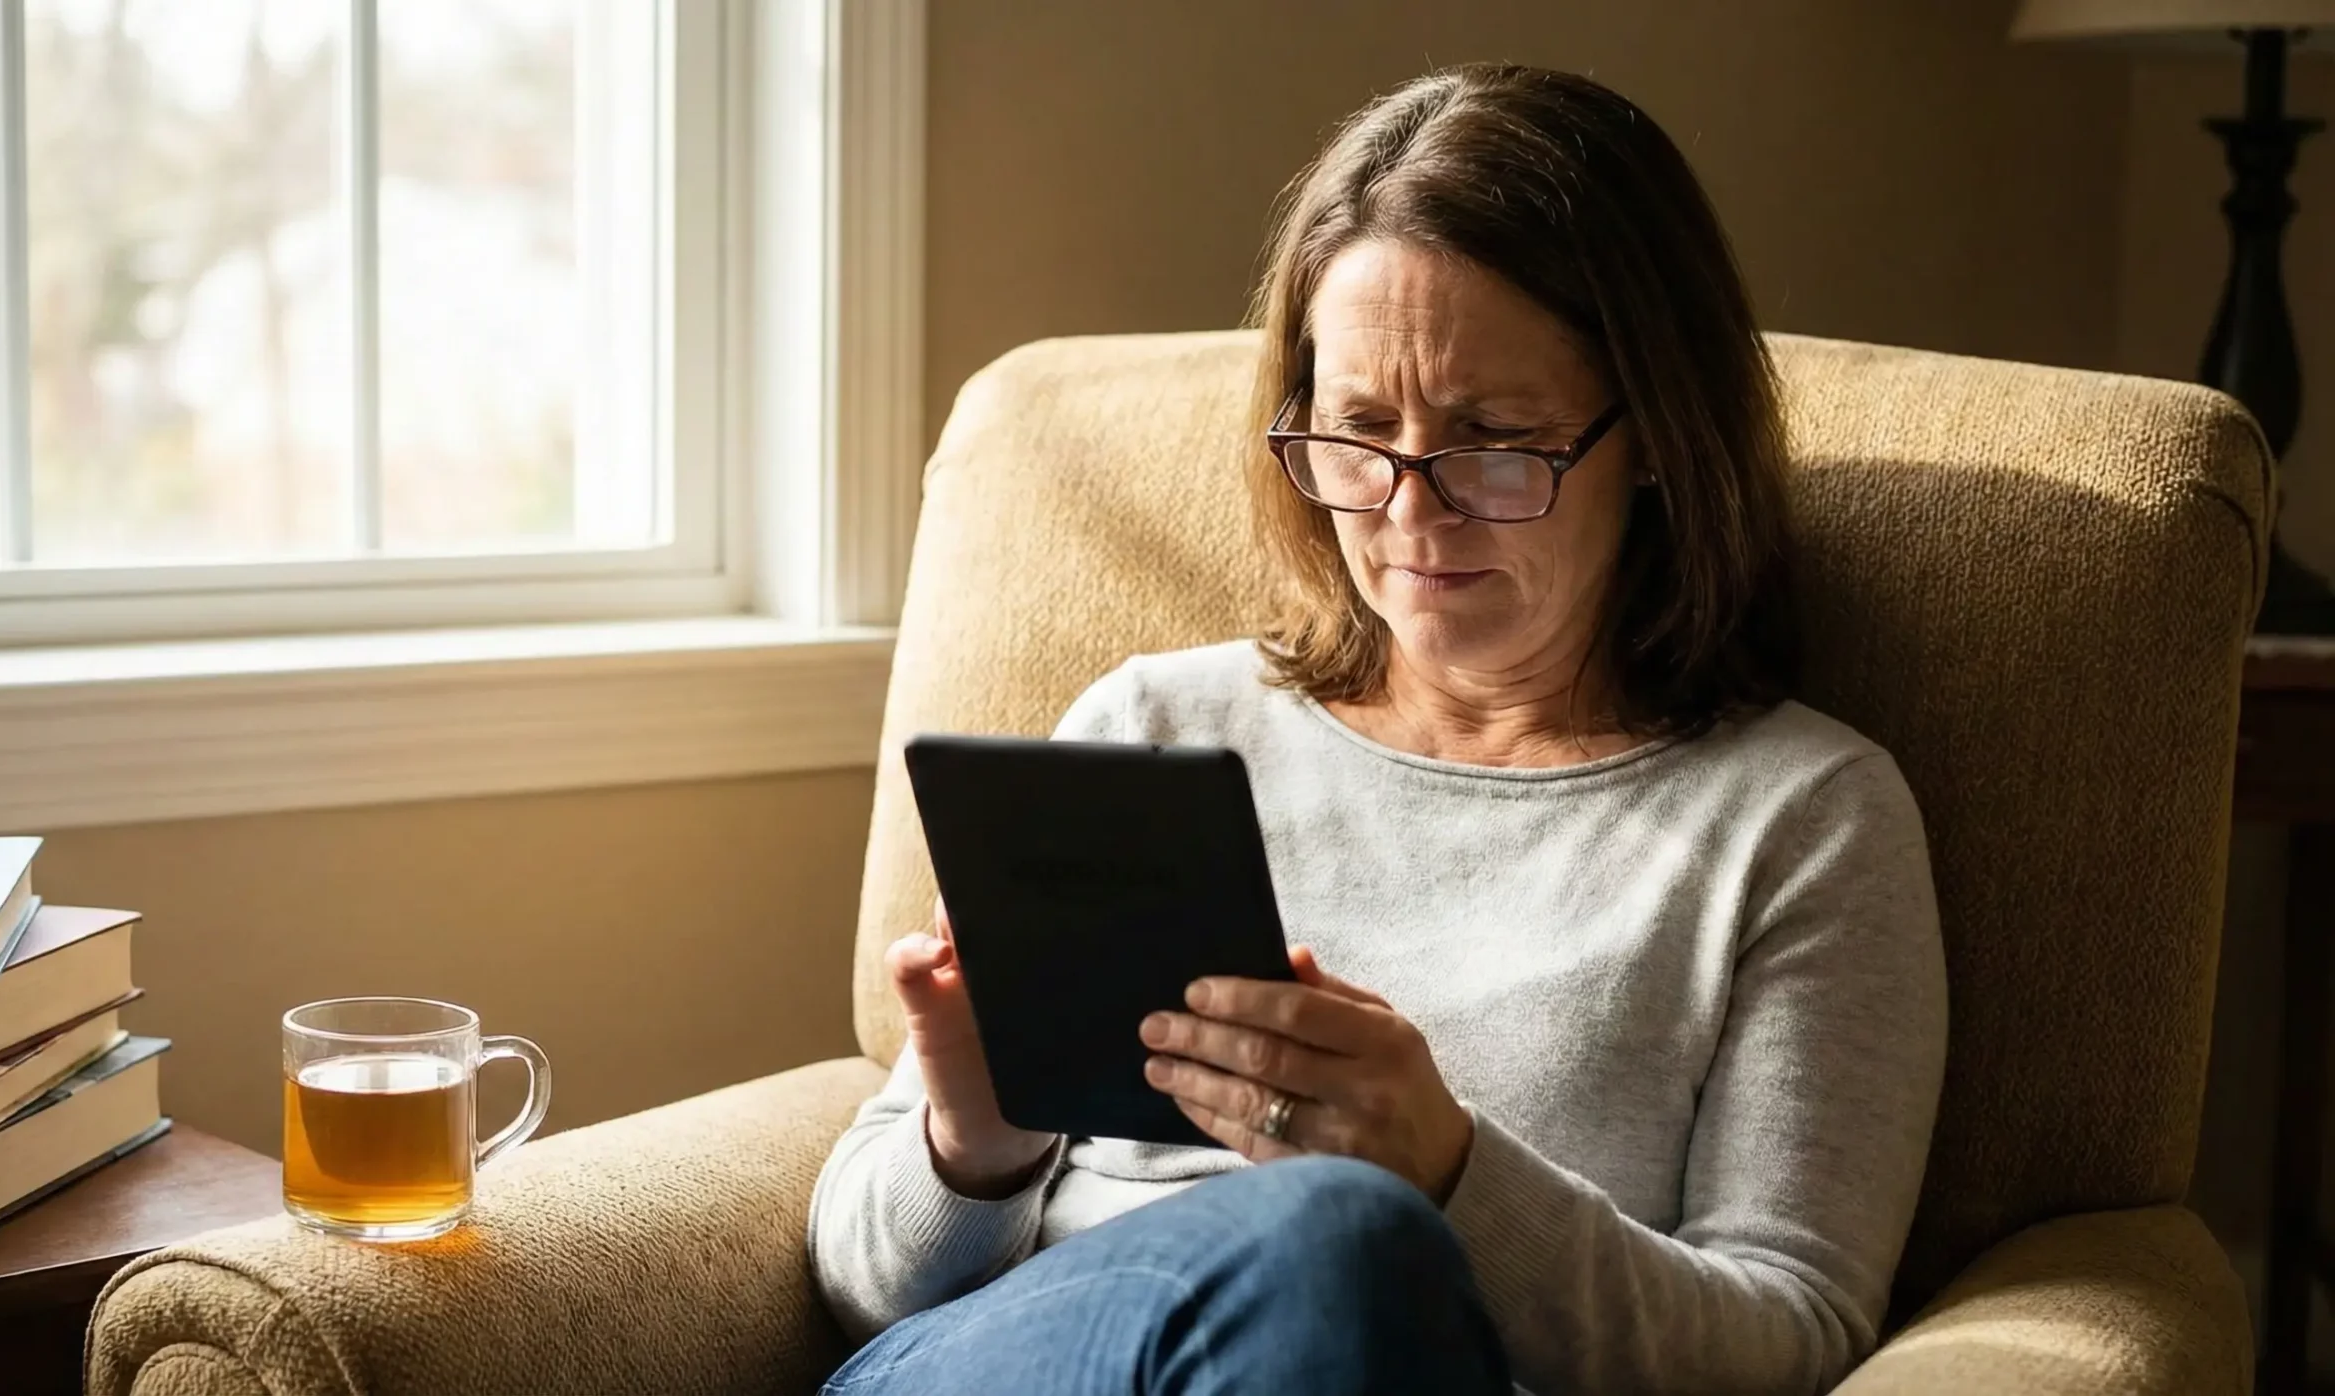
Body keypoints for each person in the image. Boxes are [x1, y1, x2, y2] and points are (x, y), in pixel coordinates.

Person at [807, 62, 1946, 1396]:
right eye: (1357, 433)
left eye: (1494, 442)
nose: (1411, 515)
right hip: (1024, 1361)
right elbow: (864, 1291)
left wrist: (1449, 1174)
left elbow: (1789, 1340)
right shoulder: (1153, 727)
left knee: (1348, 1240)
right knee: (1334, 1234)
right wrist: (971, 1140)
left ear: (1658, 440)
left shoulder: (1802, 820)